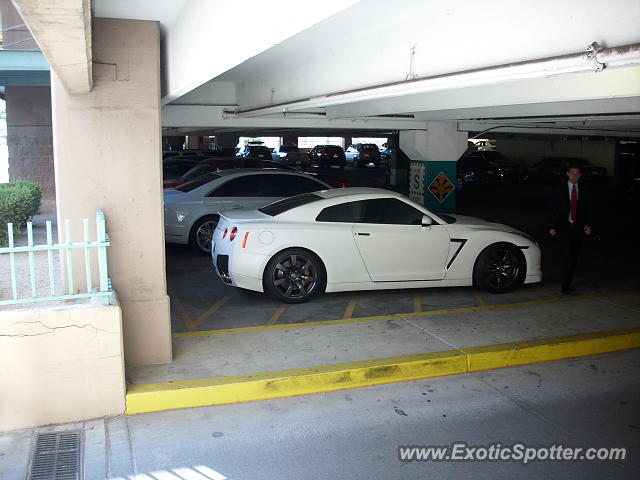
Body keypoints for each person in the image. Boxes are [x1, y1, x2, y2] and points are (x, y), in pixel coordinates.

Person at [548, 165, 592, 295]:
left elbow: (587, 209)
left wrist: (588, 225)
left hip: (577, 228)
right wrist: (551, 226)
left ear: (580, 175)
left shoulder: (584, 190)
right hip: (564, 227)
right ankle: (565, 285)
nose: (575, 176)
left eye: (577, 174)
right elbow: (553, 209)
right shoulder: (560, 190)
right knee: (567, 256)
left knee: (574, 257)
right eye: (572, 173)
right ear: (568, 174)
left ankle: (568, 281)